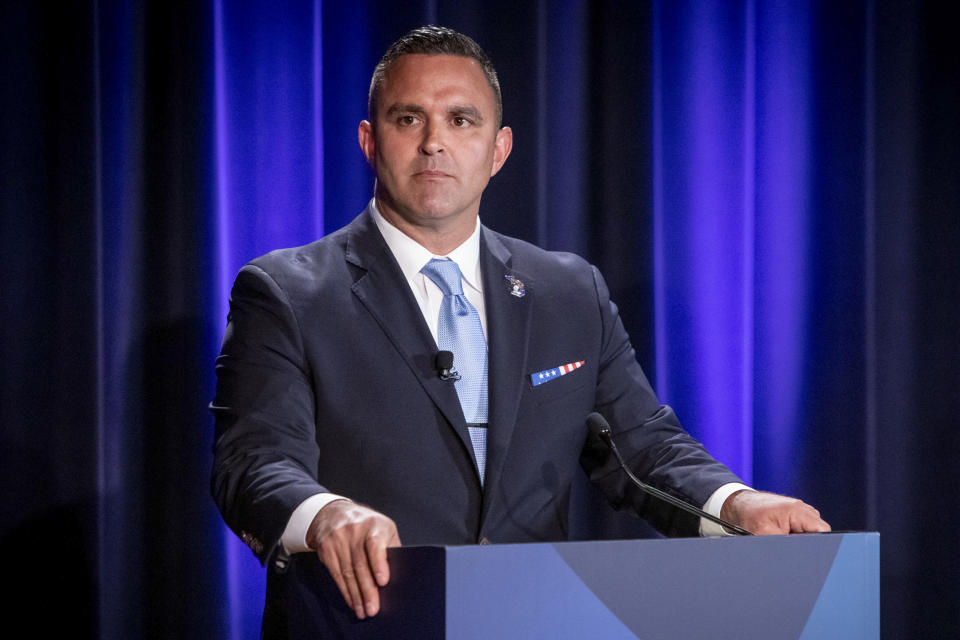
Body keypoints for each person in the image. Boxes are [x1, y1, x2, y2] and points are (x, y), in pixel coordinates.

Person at [211, 25, 830, 632]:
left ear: (498, 149)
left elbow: (642, 447)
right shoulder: (288, 292)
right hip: (366, 620)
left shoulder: (568, 292)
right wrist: (323, 515)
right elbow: (253, 459)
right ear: (370, 142)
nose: (434, 143)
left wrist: (735, 503)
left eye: (460, 120)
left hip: (531, 618)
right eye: (408, 119)